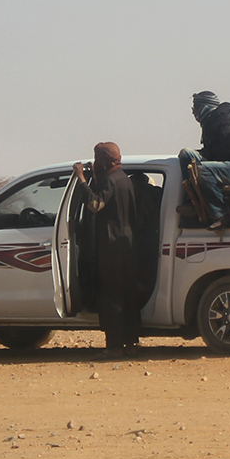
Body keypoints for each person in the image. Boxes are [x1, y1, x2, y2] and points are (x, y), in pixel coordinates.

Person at [72, 141, 140, 353]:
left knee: (111, 297)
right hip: (126, 245)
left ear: (104, 161)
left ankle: (114, 346)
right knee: (126, 295)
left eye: (97, 159)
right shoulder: (123, 179)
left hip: (112, 248)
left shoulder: (111, 180)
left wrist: (81, 179)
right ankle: (130, 342)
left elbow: (95, 205)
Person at [180, 91, 230, 233]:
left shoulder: (224, 121)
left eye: (196, 107)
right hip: (219, 164)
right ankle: (194, 200)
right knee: (186, 154)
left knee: (202, 169)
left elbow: (227, 151)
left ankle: (222, 213)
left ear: (205, 107)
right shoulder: (209, 123)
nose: (194, 112)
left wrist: (207, 157)